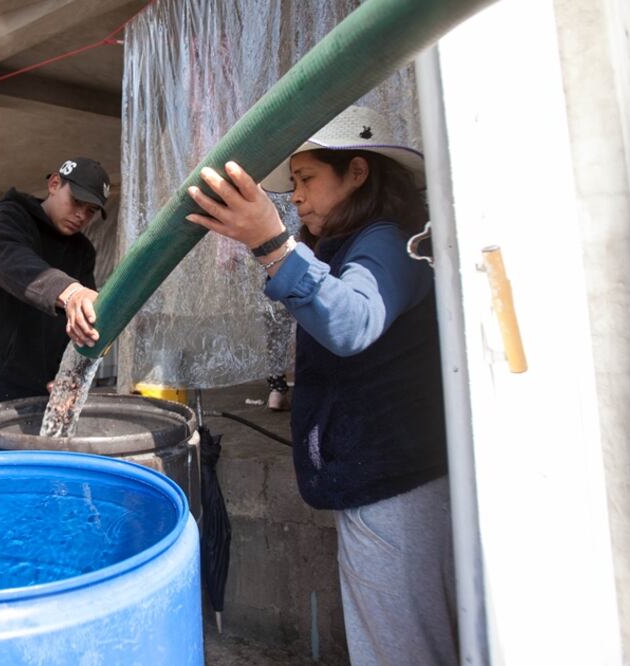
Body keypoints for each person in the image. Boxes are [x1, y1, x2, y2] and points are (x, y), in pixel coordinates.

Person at [186, 106, 455, 665]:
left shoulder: (388, 241)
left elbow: (353, 322)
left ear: (357, 172)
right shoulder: (362, 241)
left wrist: (274, 246)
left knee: (396, 646)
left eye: (306, 179)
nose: (297, 196)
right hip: (382, 478)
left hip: (392, 488)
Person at [0, 157, 109, 413]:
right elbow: (13, 261)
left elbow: (80, 322)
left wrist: (71, 373)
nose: (81, 215)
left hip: (44, 388)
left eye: (91, 210)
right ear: (54, 184)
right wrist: (71, 292)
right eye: (77, 202)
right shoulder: (10, 218)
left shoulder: (83, 250)